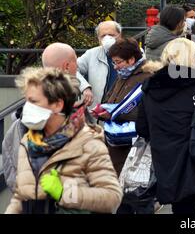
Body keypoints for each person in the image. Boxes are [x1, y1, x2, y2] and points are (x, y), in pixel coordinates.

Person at [5, 67, 122, 214]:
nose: (27, 108)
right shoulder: (28, 142)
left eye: (33, 101)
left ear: (58, 104)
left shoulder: (88, 144)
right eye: (27, 101)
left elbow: (112, 198)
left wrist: (64, 193)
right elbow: (21, 195)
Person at [136, 38, 195, 214]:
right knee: (188, 209)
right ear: (190, 59)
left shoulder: (150, 87)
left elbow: (142, 128)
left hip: (162, 158)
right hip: (193, 156)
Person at [2, 42, 94, 193]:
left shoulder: (23, 117)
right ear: (66, 66)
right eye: (75, 63)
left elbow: (9, 158)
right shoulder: (66, 117)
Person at [98, 38, 150, 176]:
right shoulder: (124, 73)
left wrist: (114, 114)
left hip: (134, 143)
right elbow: (110, 98)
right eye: (114, 62)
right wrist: (103, 109)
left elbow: (148, 111)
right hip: (116, 139)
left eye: (118, 62)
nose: (115, 67)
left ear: (131, 60)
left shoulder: (148, 77)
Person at [77, 20, 122, 107]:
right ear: (98, 38)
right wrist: (84, 87)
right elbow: (72, 69)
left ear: (119, 35)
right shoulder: (91, 54)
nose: (107, 38)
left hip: (124, 110)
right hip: (98, 113)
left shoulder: (134, 52)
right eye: (103, 36)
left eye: (111, 35)